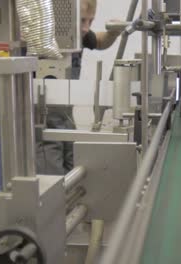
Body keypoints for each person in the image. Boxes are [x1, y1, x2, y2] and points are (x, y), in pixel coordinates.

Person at [36, 0, 122, 175]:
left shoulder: (80, 35)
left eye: (90, 21)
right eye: (82, 20)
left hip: (66, 116)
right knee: (53, 176)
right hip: (44, 119)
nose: (86, 28)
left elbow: (99, 41)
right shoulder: (43, 36)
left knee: (73, 166)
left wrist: (113, 33)